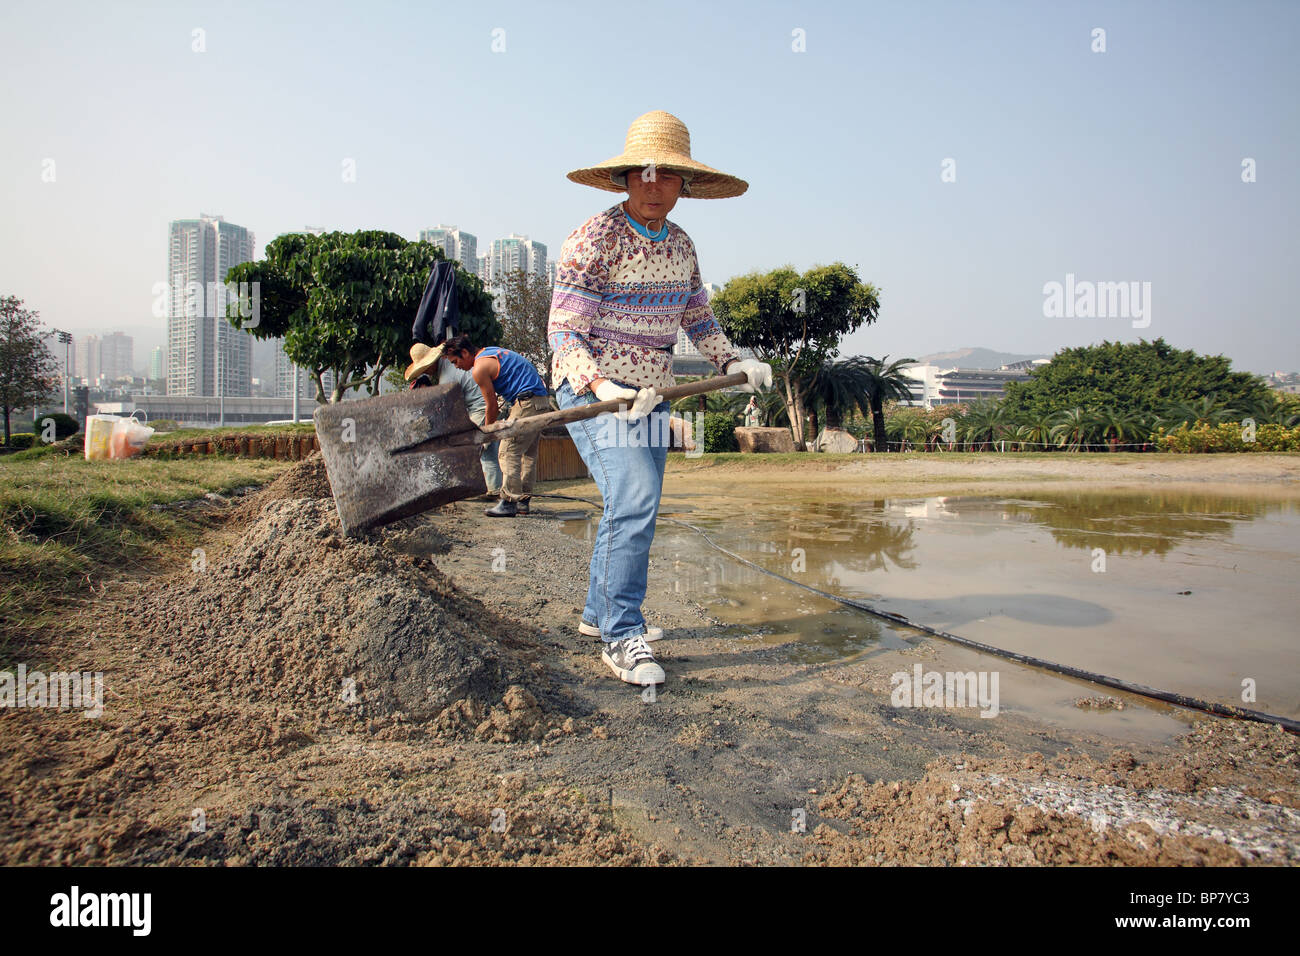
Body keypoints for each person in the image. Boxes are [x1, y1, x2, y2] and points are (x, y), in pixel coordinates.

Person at [548, 110, 771, 688]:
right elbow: (564, 331)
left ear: (684, 185)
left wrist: (734, 361)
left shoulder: (682, 246)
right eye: (643, 175)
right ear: (624, 179)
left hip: (654, 394)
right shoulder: (593, 238)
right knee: (636, 495)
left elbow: (698, 316)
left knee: (631, 506)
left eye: (667, 176)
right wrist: (601, 386)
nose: (654, 186)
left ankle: (599, 616)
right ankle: (625, 635)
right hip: (592, 394)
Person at [443, 333, 551, 517]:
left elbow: (491, 406)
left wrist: (486, 433)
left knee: (507, 451)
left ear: (465, 353)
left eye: (455, 362)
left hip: (526, 403)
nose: (457, 367)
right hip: (541, 402)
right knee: (528, 455)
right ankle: (523, 503)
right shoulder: (492, 352)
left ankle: (509, 503)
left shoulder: (479, 368)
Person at [404, 341, 502, 499]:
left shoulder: (447, 376)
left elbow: (449, 408)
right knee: (486, 450)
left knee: (475, 448)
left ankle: (490, 490)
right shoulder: (447, 366)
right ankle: (494, 489)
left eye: (426, 368)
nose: (427, 372)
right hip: (478, 406)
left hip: (481, 407)